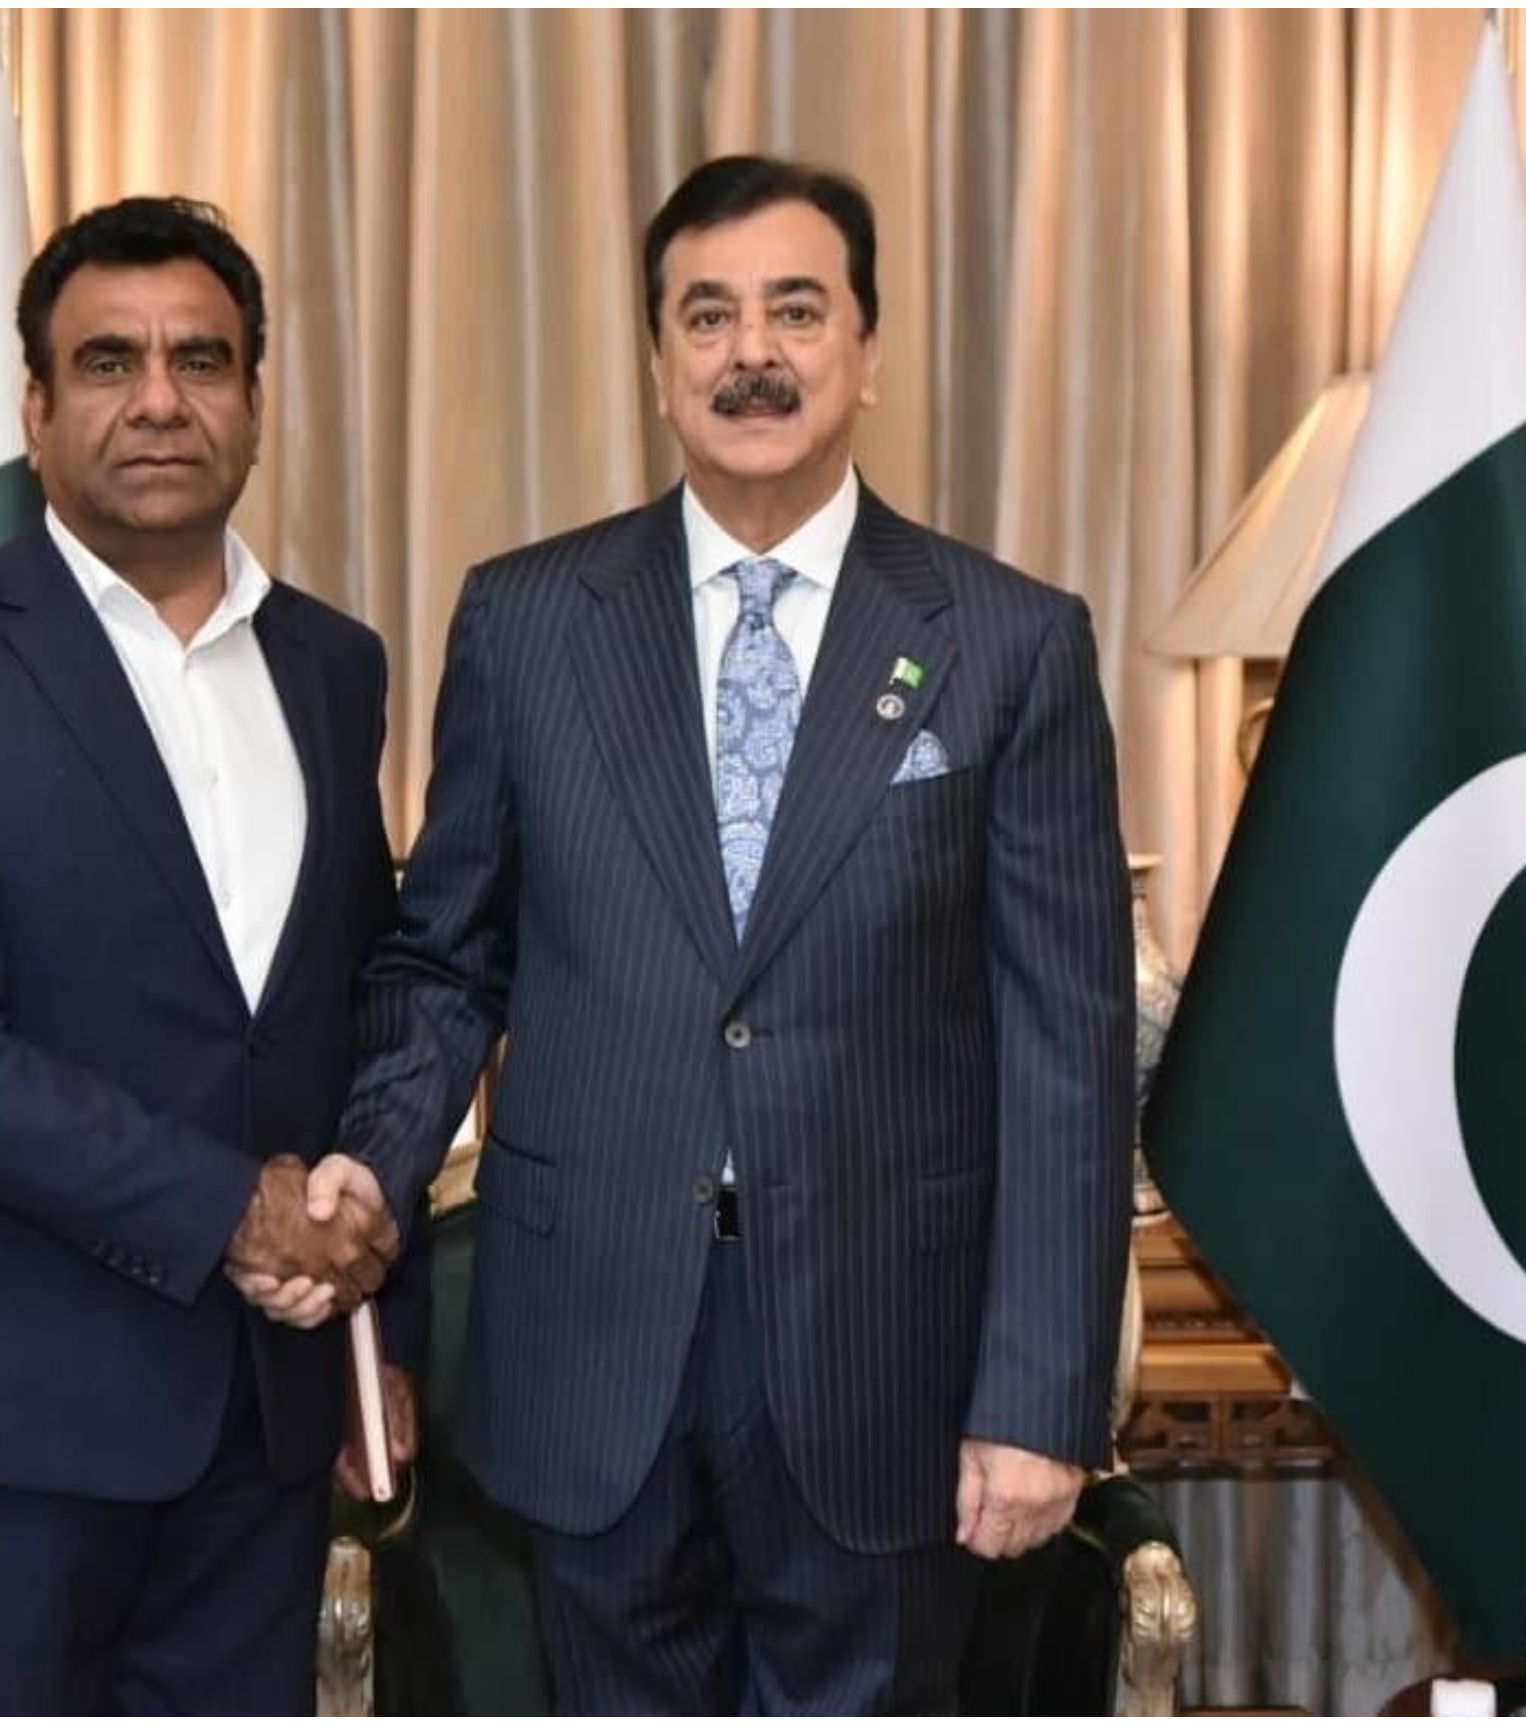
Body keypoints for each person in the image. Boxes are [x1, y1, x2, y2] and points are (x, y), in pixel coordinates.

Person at [309, 154, 1135, 1713]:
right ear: (658, 364)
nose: (751, 351)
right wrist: (372, 1160)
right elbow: (447, 955)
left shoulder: (1010, 642)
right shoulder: (527, 622)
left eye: (796, 311)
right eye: (708, 316)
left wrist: (1040, 1394)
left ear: (867, 354)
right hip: (594, 1345)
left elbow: (1066, 1053)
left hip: (887, 1361)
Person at [0, 194, 417, 1716]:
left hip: (269, 1413)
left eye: (200, 360)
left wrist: (366, 1327)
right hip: (12, 1415)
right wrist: (232, 1209)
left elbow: (348, 1012)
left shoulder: (335, 667)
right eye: (106, 362)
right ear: (34, 408)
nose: (158, 400)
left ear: (255, 403)